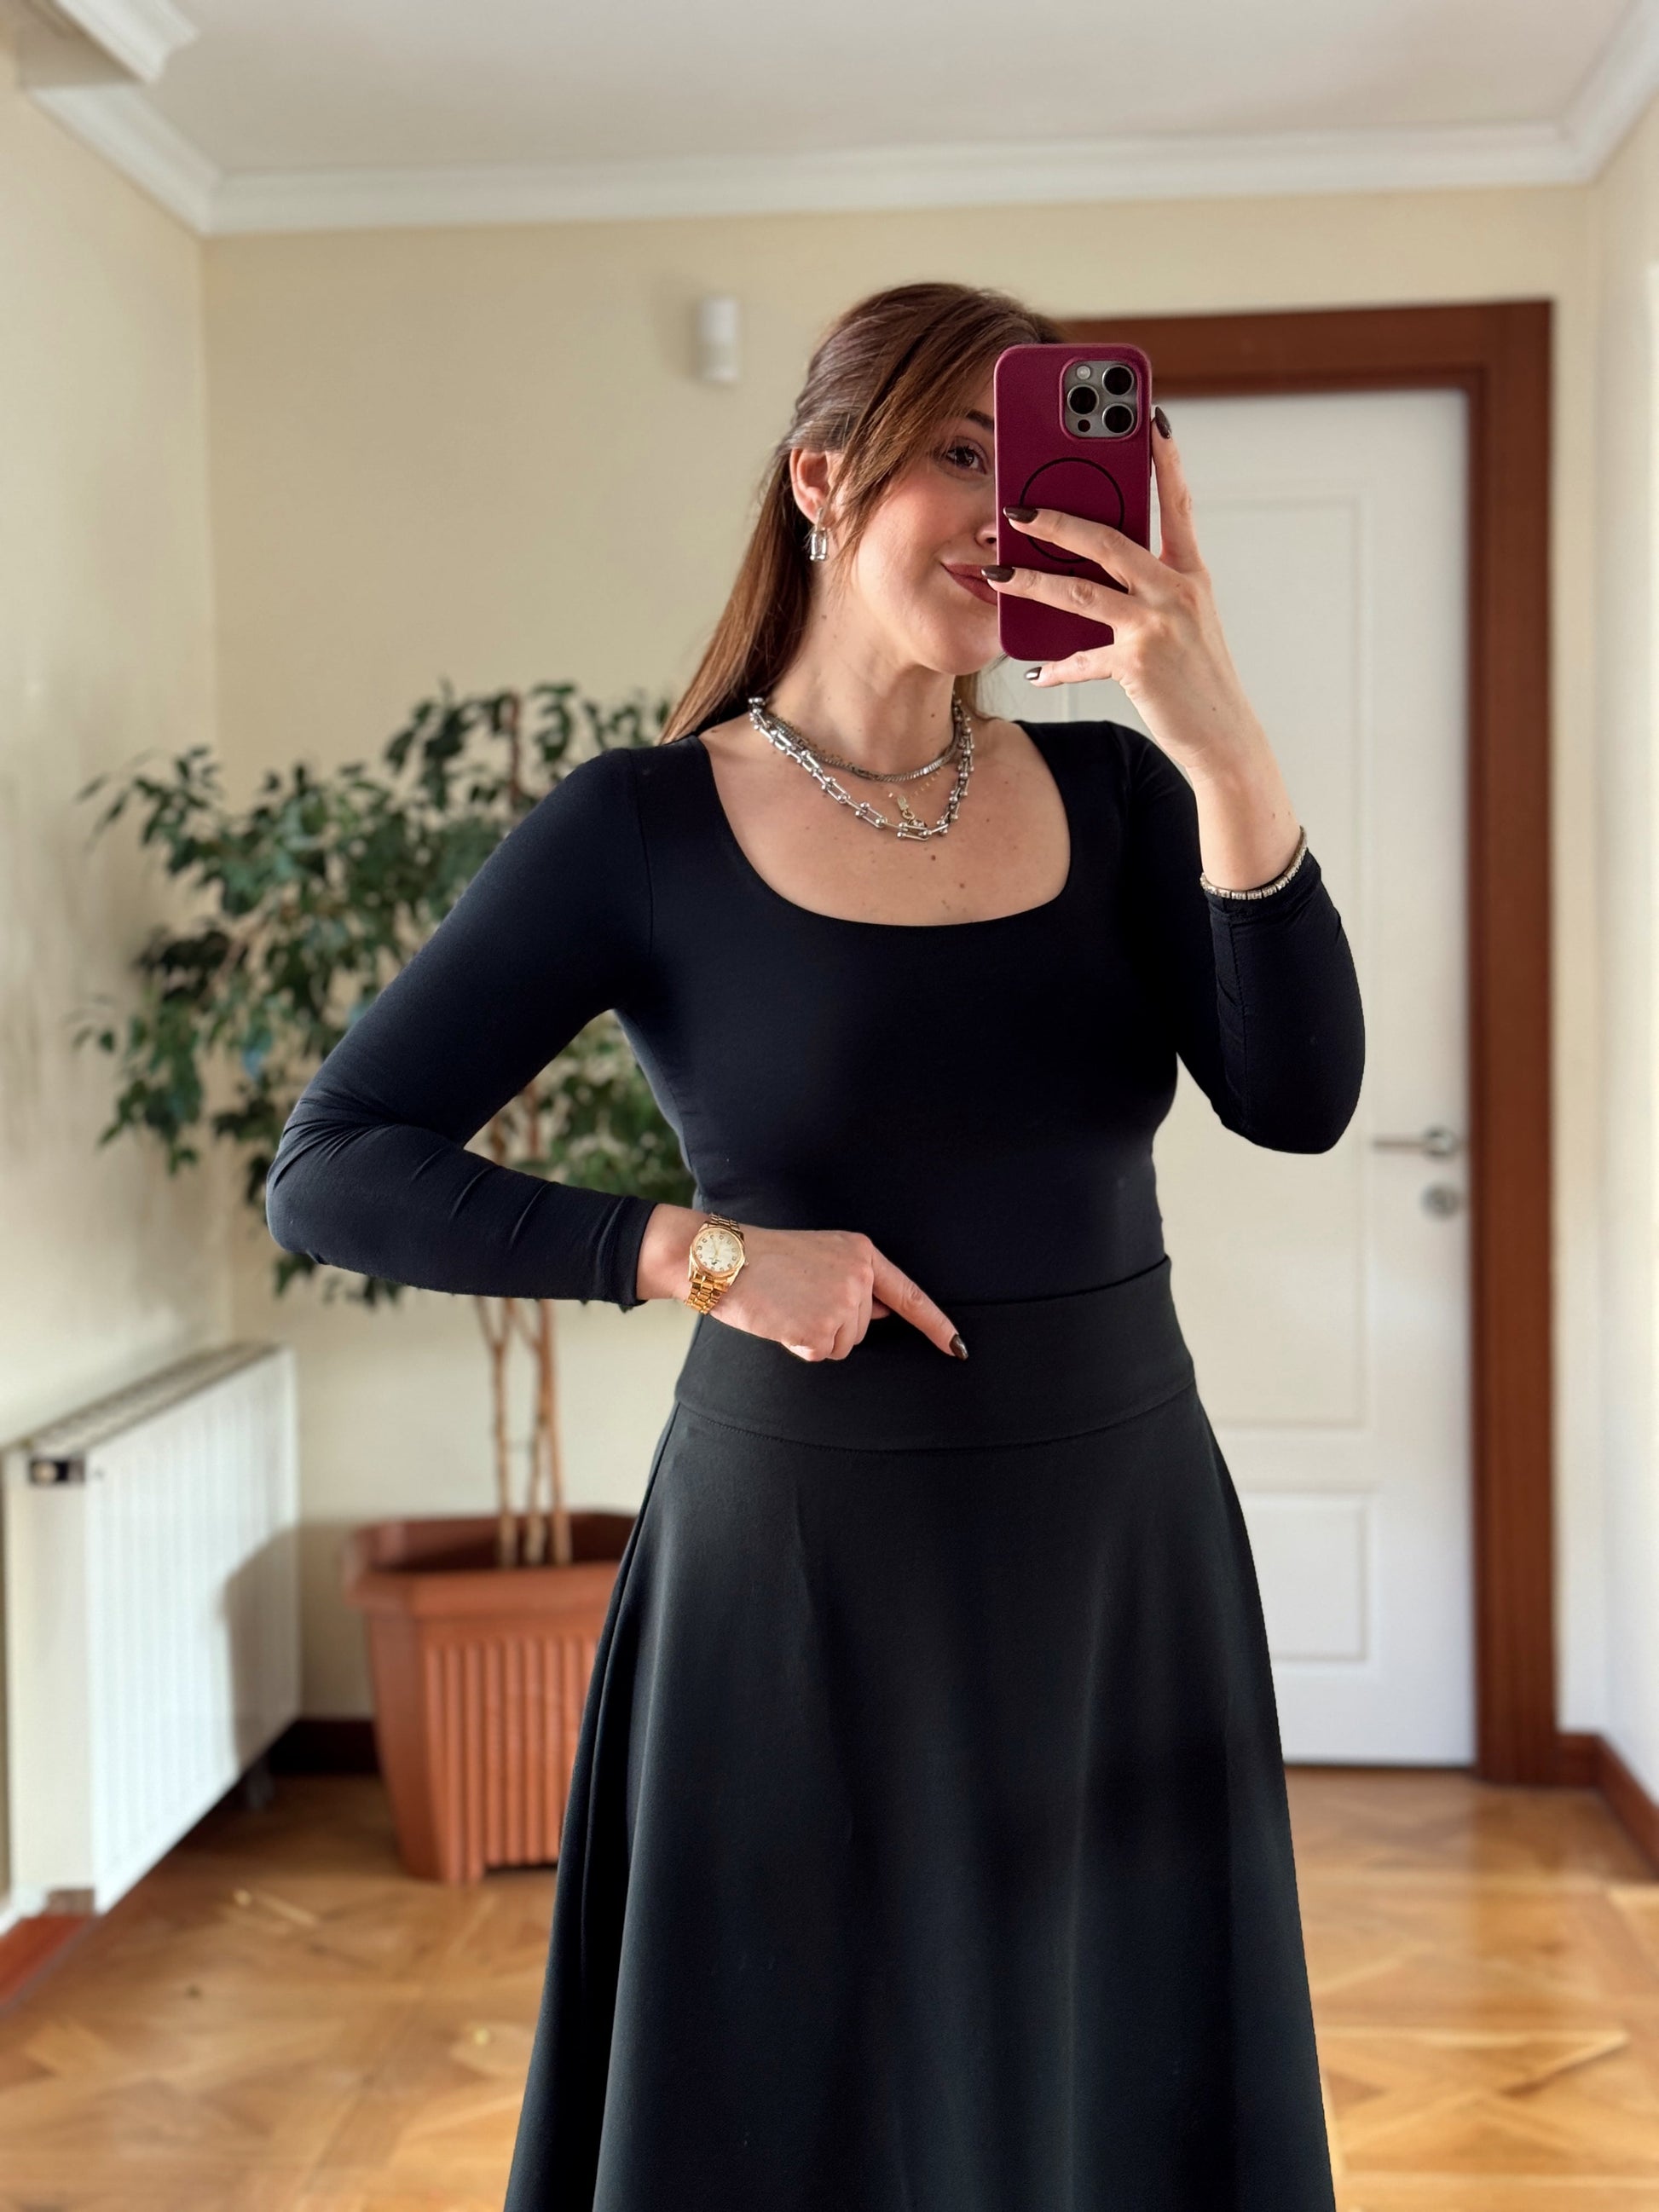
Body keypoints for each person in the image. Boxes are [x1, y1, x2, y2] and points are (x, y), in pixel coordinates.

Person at [265, 279, 1363, 2211]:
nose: (1007, 511)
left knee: (1113, 2084)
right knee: (793, 2098)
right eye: (955, 455)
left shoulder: (1122, 795)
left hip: (1115, 1563)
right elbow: (331, 1166)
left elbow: (1297, 1098)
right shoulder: (640, 825)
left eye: (1033, 462)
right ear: (819, 482)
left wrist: (1223, 748)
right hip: (795, 1573)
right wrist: (701, 1257)